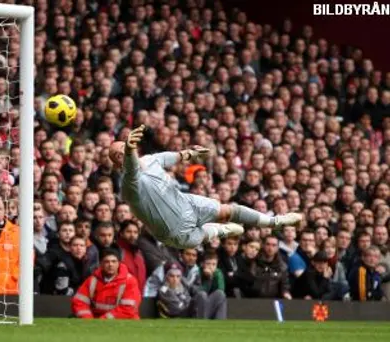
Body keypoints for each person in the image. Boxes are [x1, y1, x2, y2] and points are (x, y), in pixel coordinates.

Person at [108, 125, 302, 249]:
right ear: (118, 163)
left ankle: (275, 221)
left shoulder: (149, 160)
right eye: (119, 154)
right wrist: (130, 150)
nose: (123, 152)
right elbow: (132, 168)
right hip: (175, 232)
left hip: (187, 203)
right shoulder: (128, 185)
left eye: (124, 149)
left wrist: (189, 153)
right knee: (205, 234)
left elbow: (168, 157)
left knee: (230, 210)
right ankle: (221, 231)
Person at [71, 248, 141, 319]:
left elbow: (128, 309)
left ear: (119, 263)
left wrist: (103, 320)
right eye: (107, 262)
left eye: (114, 261)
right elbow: (79, 302)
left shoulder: (130, 281)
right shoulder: (92, 280)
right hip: (96, 322)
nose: (110, 264)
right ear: (101, 263)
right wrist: (88, 319)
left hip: (124, 322)